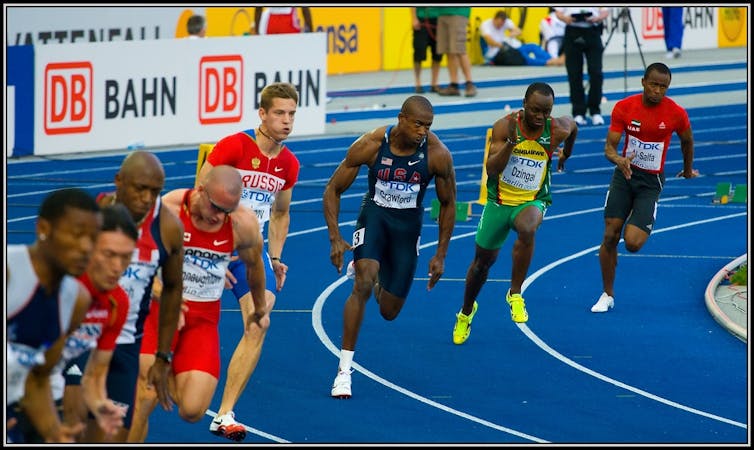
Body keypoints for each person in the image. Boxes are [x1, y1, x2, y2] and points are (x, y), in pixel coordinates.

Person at [323, 95, 457, 398]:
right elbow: (333, 188)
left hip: (407, 229)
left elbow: (448, 204)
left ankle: (376, 268)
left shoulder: (437, 154)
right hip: (375, 216)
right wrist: (334, 236)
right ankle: (344, 371)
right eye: (418, 124)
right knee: (364, 282)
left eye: (428, 126)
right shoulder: (372, 144)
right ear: (401, 118)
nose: (423, 131)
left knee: (389, 311)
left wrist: (441, 255)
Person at [128, 165, 268, 442]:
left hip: (202, 318)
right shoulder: (168, 208)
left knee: (193, 410)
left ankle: (165, 371)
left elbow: (255, 267)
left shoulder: (242, 222)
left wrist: (259, 308)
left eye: (226, 211)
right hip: (159, 311)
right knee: (145, 397)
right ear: (200, 191)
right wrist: (159, 290)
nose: (219, 217)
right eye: (215, 208)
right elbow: (132, 254)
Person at [197, 81, 301, 441]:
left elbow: (281, 213)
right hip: (209, 248)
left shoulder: (288, 164)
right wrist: (210, 248)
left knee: (260, 323)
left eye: (291, 114)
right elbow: (199, 194)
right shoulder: (234, 146)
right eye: (279, 113)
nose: (287, 121)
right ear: (262, 114)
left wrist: (275, 257)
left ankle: (224, 414)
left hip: (251, 254)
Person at [452, 82, 578, 345]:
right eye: (535, 111)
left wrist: (566, 152)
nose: (540, 117)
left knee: (528, 227)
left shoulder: (556, 128)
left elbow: (573, 126)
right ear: (524, 104)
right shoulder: (504, 126)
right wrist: (511, 142)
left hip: (532, 199)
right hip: (499, 202)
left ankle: (515, 293)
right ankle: (466, 312)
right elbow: (493, 168)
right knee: (480, 266)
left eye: (546, 111)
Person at [87, 151, 185, 442]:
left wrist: (163, 357)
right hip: (82, 338)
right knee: (72, 423)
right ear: (119, 181)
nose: (146, 198)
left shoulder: (167, 227)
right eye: (140, 188)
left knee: (116, 434)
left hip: (126, 344)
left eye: (155, 192)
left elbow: (172, 288)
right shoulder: (91, 216)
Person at [592, 62, 698, 313]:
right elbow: (609, 147)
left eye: (664, 86)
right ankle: (607, 294)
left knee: (632, 244)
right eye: (654, 84)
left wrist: (687, 168)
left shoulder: (676, 113)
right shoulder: (625, 108)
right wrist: (619, 159)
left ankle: (648, 212)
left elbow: (687, 140)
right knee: (610, 235)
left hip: (651, 182)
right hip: (624, 176)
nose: (658, 90)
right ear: (643, 82)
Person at [7, 187, 101, 443]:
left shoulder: (76, 298)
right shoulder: (9, 271)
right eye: (77, 234)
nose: (86, 247)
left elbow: (38, 378)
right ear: (43, 228)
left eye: (93, 238)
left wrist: (54, 433)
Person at [53, 204, 137, 441]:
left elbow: (95, 375)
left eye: (126, 257)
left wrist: (101, 405)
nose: (118, 268)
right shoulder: (56, 283)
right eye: (109, 254)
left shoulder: (117, 301)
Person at [554, 7, 609, 127]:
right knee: (574, 73)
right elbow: (558, 12)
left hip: (592, 30)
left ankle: (595, 111)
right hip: (573, 31)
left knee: (596, 73)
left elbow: (605, 11)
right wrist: (565, 18)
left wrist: (598, 18)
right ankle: (578, 112)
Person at [480, 10, 561, 67]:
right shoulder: (486, 25)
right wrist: (503, 44)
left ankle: (552, 59)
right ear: (495, 19)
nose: (500, 26)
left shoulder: (505, 22)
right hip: (496, 53)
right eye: (499, 24)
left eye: (502, 24)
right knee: (523, 57)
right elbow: (490, 41)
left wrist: (512, 34)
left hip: (510, 48)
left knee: (533, 46)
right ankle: (547, 62)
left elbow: (519, 31)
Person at [435, 7, 477, 97]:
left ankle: (469, 83)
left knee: (460, 50)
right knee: (449, 51)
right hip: (442, 13)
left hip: (458, 12)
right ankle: (454, 85)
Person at [411, 7, 442, 94]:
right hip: (421, 20)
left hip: (438, 20)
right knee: (419, 51)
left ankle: (434, 83)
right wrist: (414, 18)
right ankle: (418, 83)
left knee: (437, 53)